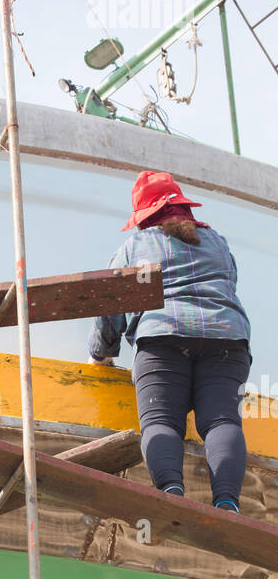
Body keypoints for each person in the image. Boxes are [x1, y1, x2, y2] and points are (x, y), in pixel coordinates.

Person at [88, 170, 251, 513]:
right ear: (184, 210)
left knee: (161, 421)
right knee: (222, 421)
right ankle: (227, 503)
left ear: (145, 217)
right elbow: (229, 284)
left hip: (162, 338)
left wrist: (101, 353)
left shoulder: (135, 246)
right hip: (227, 339)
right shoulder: (218, 243)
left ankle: (172, 494)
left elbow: (111, 303)